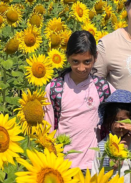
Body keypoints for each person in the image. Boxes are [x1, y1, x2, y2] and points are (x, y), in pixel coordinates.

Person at [44, 30, 115, 171]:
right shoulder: (54, 89)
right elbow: (47, 129)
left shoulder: (103, 88)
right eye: (75, 61)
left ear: (95, 57)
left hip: (94, 165)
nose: (81, 68)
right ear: (67, 57)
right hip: (62, 165)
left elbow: (119, 115)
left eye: (87, 62)